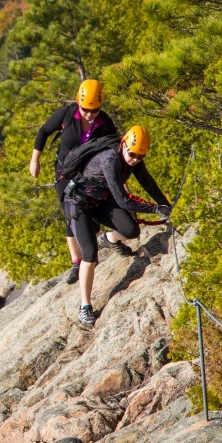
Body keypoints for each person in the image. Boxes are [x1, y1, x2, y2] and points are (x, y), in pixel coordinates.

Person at [62, 125, 172, 326]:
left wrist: (166, 205)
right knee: (90, 254)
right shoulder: (110, 159)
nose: (134, 160)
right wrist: (156, 210)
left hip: (99, 202)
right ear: (123, 144)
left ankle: (109, 239)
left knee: (130, 230)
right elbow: (123, 200)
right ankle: (84, 306)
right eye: (132, 154)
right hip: (79, 204)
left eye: (140, 156)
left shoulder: (133, 159)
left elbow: (148, 183)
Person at [29, 79, 119, 287]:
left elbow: (115, 152)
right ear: (79, 102)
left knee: (90, 216)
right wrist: (35, 160)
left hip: (89, 177)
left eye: (95, 110)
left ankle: (91, 250)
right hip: (64, 174)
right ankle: (76, 262)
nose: (90, 114)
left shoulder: (105, 124)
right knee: (70, 215)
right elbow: (43, 132)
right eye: (87, 109)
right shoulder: (67, 115)